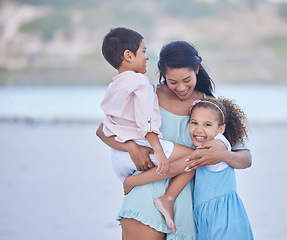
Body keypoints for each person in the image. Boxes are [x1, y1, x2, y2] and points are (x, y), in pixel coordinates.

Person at [96, 40, 252, 240]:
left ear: (196, 69)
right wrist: (132, 147)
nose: (181, 88)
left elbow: (245, 158)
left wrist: (223, 155)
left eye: (187, 79)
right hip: (145, 193)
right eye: (172, 81)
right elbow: (103, 130)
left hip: (187, 203)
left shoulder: (210, 107)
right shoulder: (146, 94)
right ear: (163, 74)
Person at [123, 98, 254, 240]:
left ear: (220, 129)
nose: (199, 130)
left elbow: (173, 169)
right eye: (194, 123)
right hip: (206, 216)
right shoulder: (207, 145)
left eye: (207, 125)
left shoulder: (214, 147)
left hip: (222, 216)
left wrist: (133, 181)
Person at [100, 27, 196, 184]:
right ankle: (164, 197)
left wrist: (130, 147)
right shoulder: (140, 82)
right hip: (143, 147)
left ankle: (134, 181)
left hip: (118, 156)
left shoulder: (114, 86)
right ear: (128, 55)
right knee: (193, 157)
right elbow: (147, 120)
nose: (146, 57)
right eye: (143, 52)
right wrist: (159, 152)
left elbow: (106, 127)